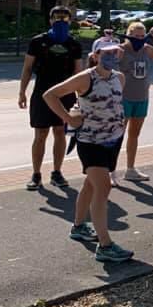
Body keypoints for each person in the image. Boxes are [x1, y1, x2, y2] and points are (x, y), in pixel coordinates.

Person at [42, 39, 133, 263]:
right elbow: (50, 95)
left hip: (112, 140)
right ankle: (105, 246)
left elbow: (112, 104)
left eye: (115, 52)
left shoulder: (119, 78)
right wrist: (68, 118)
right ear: (96, 55)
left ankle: (79, 226)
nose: (111, 56)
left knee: (91, 185)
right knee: (103, 187)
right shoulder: (85, 78)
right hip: (90, 142)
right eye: (106, 53)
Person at [19, 5, 83, 190]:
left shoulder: (74, 44)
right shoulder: (38, 41)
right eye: (56, 17)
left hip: (65, 94)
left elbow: (78, 73)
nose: (60, 21)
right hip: (42, 93)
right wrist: (22, 92)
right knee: (40, 134)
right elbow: (27, 68)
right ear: (50, 20)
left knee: (60, 132)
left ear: (70, 21)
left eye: (64, 18)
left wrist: (82, 98)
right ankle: (36, 174)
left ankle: (57, 172)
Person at [111, 21, 153, 186]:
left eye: (142, 36)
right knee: (117, 135)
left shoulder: (146, 48)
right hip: (123, 98)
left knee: (134, 135)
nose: (139, 39)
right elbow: (107, 65)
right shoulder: (120, 49)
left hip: (142, 97)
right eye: (135, 36)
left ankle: (130, 169)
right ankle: (111, 171)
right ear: (128, 35)